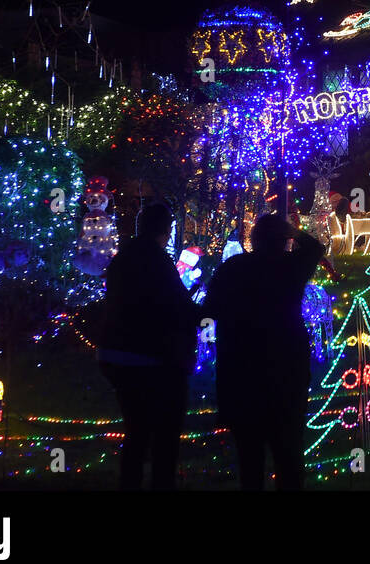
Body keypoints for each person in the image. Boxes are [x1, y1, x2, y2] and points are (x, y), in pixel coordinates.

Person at [204, 211, 324, 490]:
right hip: (286, 369)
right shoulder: (292, 267)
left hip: (241, 369)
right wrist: (292, 231)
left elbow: (209, 311)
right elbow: (316, 248)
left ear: (255, 240)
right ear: (284, 241)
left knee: (250, 457)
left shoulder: (233, 268)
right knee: (289, 453)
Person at [98, 202, 201, 491]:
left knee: (136, 431)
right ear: (165, 230)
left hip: (117, 352)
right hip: (151, 357)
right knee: (164, 435)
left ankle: (130, 482)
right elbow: (176, 305)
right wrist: (209, 312)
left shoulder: (124, 257)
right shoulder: (156, 259)